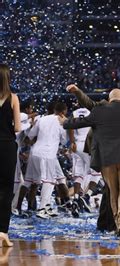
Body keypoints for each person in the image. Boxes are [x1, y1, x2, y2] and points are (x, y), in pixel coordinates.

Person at [62, 89, 120, 237]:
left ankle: (116, 224)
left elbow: (78, 122)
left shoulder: (100, 111)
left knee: (113, 193)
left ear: (109, 99)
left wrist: (65, 122)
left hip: (107, 160)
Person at [0, 63, 21, 247]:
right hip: (6, 146)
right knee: (6, 189)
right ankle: (3, 232)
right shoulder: (13, 98)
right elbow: (18, 127)